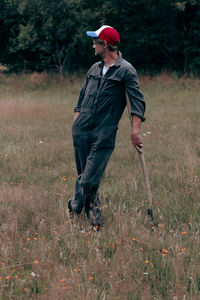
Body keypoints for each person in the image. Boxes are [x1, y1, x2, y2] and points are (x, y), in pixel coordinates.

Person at [68, 25, 146, 230]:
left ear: (105, 44)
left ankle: (73, 206)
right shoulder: (94, 68)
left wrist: (135, 131)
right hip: (81, 129)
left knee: (88, 179)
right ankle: (95, 224)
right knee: (86, 178)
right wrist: (77, 119)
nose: (92, 44)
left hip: (104, 133)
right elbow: (81, 97)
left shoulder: (126, 71)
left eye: (95, 41)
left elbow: (137, 103)